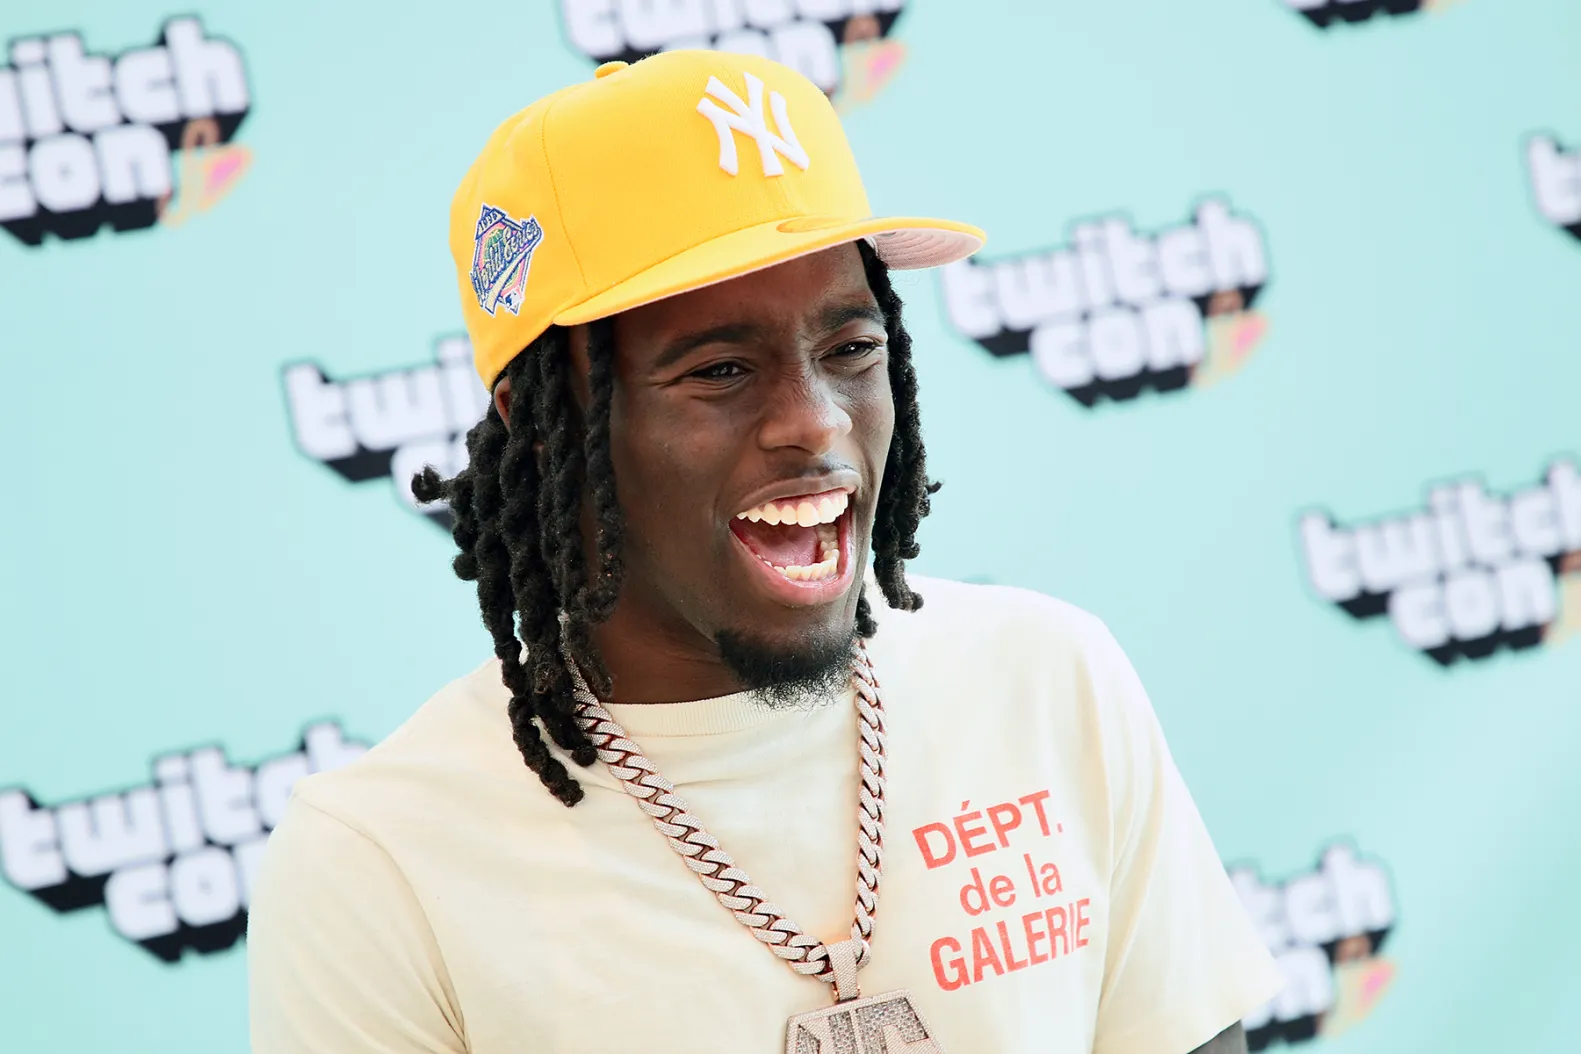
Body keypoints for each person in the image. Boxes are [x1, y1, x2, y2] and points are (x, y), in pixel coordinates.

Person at [247, 49, 1283, 1054]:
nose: (816, 422)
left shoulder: (1049, 679)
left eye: (851, 349)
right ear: (541, 420)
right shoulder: (380, 860)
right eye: (721, 370)